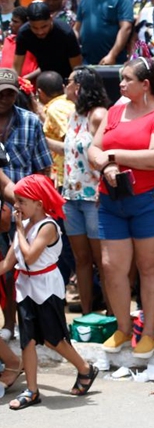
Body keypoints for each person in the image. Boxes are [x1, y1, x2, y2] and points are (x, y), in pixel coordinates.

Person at [87, 58, 154, 359]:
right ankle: (124, 328)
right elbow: (93, 148)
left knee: (149, 267)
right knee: (112, 267)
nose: (121, 84)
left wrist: (112, 156)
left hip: (149, 199)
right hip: (112, 197)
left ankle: (148, 332)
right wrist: (106, 165)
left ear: (146, 84)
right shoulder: (115, 110)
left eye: (127, 79)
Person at [0, 174, 98, 410]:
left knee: (54, 339)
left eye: (22, 202)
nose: (18, 207)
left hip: (46, 287)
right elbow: (8, 263)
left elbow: (31, 255)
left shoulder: (48, 227)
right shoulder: (24, 225)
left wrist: (20, 232)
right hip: (26, 287)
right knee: (28, 340)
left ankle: (85, 368)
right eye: (16, 201)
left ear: (38, 203)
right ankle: (32, 390)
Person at [0, 68, 52, 343]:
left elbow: (43, 167)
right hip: (5, 208)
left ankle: (29, 325)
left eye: (10, 92)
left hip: (27, 208)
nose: (5, 97)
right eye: (1, 92)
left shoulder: (31, 122)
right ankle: (8, 323)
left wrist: (34, 209)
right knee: (5, 268)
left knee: (26, 267)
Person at [60, 67, 108, 316]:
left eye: (67, 81)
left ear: (78, 87)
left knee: (103, 262)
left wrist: (104, 186)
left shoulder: (99, 115)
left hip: (94, 198)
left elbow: (109, 152)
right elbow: (71, 151)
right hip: (71, 197)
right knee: (81, 260)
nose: (64, 86)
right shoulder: (73, 115)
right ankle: (87, 314)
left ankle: (113, 314)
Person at [15, 1, 81, 80]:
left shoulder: (65, 33)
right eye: (35, 28)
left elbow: (77, 69)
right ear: (28, 21)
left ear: (51, 19)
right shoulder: (24, 34)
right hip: (44, 76)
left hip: (67, 76)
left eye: (44, 26)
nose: (40, 32)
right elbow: (16, 68)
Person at [74, 0, 134, 65]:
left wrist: (112, 55)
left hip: (112, 62)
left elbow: (126, 28)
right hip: (86, 61)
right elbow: (76, 28)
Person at [1, 6, 38, 79]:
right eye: (11, 20)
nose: (11, 24)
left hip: (27, 87)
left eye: (15, 22)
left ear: (26, 24)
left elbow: (44, 67)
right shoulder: (8, 40)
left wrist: (23, 79)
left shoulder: (36, 42)